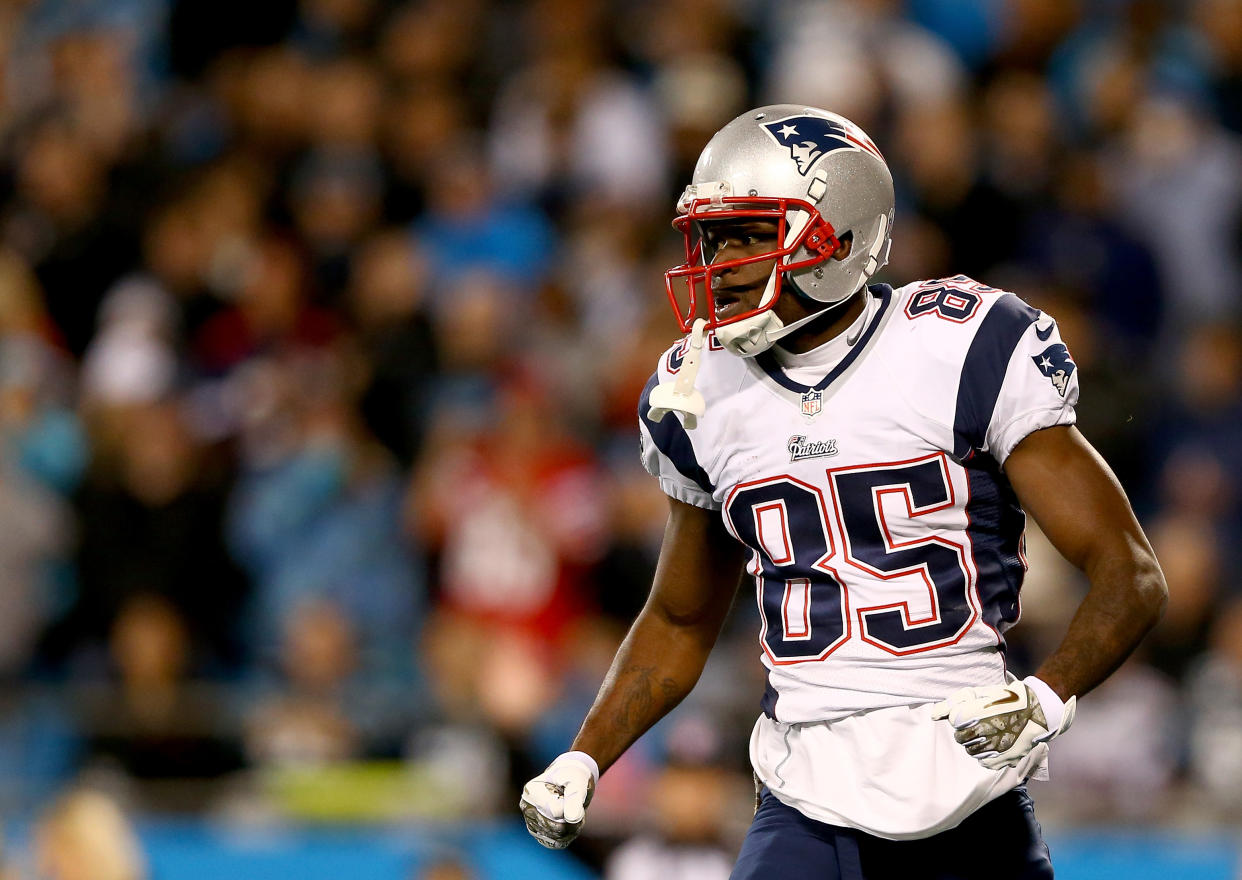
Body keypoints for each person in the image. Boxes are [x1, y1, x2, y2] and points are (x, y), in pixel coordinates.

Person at [519, 105, 1167, 878]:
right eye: (711, 237)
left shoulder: (959, 346)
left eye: (748, 235)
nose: (717, 262)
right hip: (804, 796)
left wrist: (1047, 695)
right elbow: (681, 617)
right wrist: (586, 756)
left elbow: (1131, 573)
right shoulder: (702, 393)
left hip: (966, 785)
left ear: (838, 234)